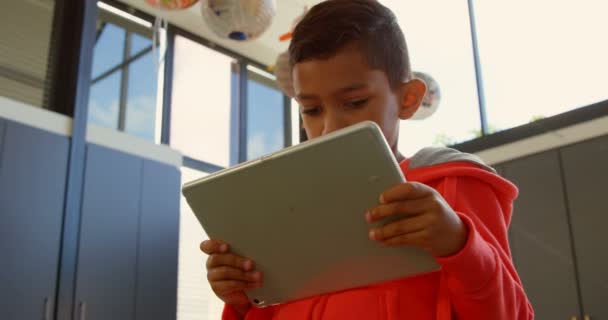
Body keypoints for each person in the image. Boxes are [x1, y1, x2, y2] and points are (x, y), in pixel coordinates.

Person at [200, 0, 534, 319]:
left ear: (408, 99)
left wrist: (460, 243)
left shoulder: (453, 183)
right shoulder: (286, 204)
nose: (329, 128)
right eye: (312, 110)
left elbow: (512, 314)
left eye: (355, 102)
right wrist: (242, 298)